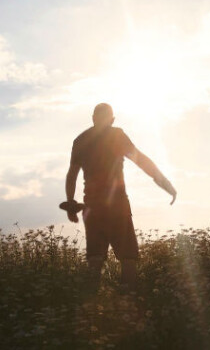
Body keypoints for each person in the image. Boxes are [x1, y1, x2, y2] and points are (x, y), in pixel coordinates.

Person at [64, 103, 177, 292]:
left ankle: (91, 305)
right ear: (112, 119)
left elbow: (72, 175)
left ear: (93, 118)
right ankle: (128, 300)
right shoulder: (116, 136)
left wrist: (70, 203)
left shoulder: (80, 141)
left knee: (95, 258)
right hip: (117, 205)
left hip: (92, 207)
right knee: (128, 257)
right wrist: (165, 184)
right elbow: (141, 161)